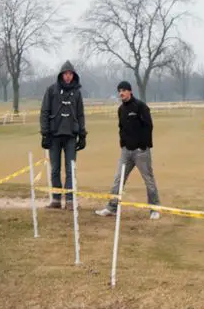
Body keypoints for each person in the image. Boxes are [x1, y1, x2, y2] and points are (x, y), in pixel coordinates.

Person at [96, 81, 162, 220]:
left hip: (141, 151)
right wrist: (123, 143)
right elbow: (121, 127)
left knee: (148, 180)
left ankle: (154, 209)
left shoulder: (140, 106)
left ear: (130, 91)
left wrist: (144, 145)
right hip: (126, 151)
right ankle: (112, 208)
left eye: (124, 90)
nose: (121, 93)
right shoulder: (121, 109)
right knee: (118, 179)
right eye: (119, 91)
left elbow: (148, 126)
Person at [40, 61, 87, 209]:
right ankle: (55, 199)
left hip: (71, 136)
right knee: (55, 169)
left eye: (70, 74)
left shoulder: (77, 93)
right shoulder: (51, 90)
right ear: (61, 75)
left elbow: (80, 114)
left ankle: (70, 200)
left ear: (73, 75)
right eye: (66, 74)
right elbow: (44, 112)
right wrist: (45, 133)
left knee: (70, 168)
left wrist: (82, 134)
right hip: (54, 135)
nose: (68, 77)